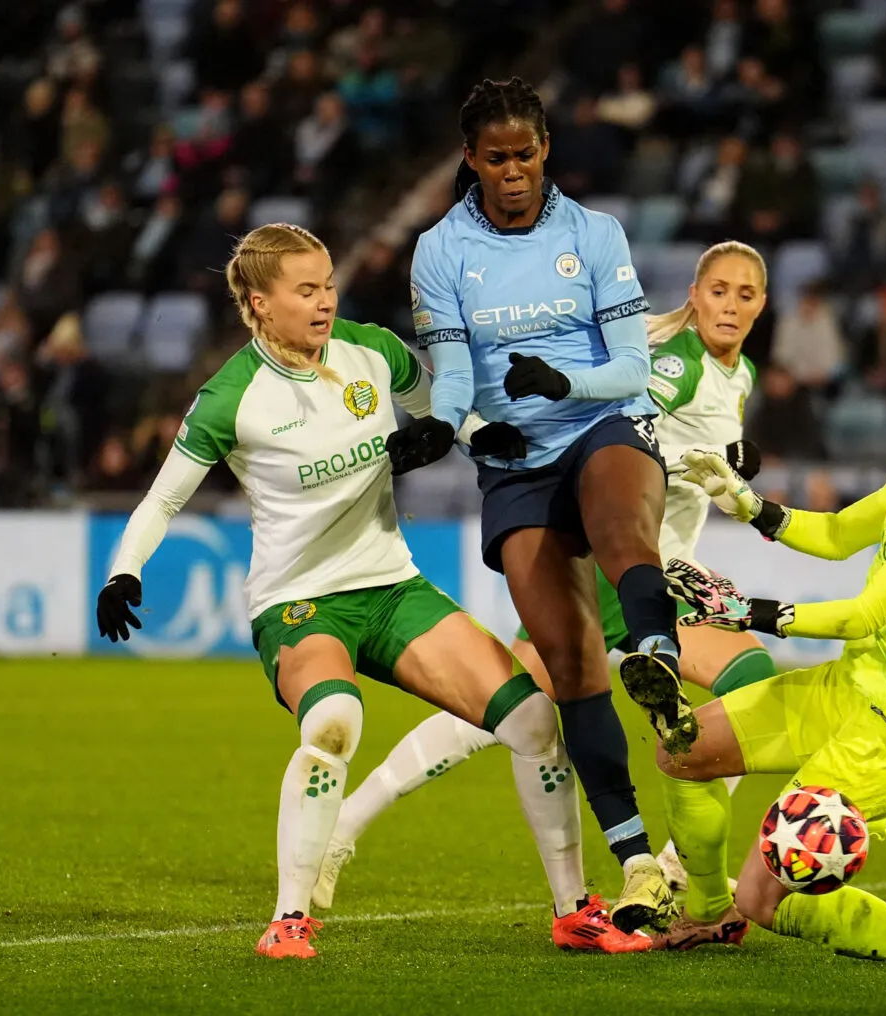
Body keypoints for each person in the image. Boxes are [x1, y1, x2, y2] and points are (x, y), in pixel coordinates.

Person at [93, 223, 648, 960]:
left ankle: (575, 908)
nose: (325, 301)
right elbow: (163, 502)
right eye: (306, 290)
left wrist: (476, 436)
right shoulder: (233, 397)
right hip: (300, 603)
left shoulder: (372, 352)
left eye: (328, 284)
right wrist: (122, 569)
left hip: (391, 588)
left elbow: (442, 409)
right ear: (259, 303)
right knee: (334, 722)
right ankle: (289, 920)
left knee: (533, 722)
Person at [314, 242, 780, 904]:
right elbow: (624, 434)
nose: (730, 305)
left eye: (744, 294)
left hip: (646, 565)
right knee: (749, 682)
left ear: (762, 303)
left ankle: (342, 827)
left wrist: (732, 485)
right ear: (695, 294)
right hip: (628, 564)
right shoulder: (677, 363)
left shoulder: (741, 373)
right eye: (719, 290)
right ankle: (677, 868)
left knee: (504, 704)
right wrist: (715, 458)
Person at [623, 330, 886, 965]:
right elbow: (837, 533)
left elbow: (867, 614)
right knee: (680, 751)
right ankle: (706, 914)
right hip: (850, 687)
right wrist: (746, 504)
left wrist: (748, 613)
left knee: (764, 901)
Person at [390, 77, 688, 932]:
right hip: (516, 462)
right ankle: (635, 864)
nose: (513, 172)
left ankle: (659, 656)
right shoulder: (440, 251)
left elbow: (633, 365)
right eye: (496, 159)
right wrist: (439, 431)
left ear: (546, 148)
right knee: (567, 663)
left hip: (603, 421)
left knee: (622, 521)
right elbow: (452, 376)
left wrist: (566, 379)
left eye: (525, 155)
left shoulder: (593, 234)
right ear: (471, 160)